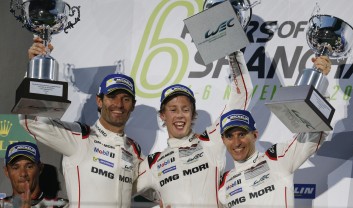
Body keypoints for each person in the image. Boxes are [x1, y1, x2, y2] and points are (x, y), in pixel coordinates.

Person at [21, 38, 144, 208]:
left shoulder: (134, 151)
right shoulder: (81, 137)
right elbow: (31, 120)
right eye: (112, 97)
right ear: (99, 101)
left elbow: (160, 183)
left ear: (133, 105)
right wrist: (36, 71)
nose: (119, 105)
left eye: (126, 99)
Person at [135, 50, 253, 207]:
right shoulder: (153, 163)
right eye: (173, 110)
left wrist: (232, 52)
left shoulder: (211, 141)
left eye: (185, 109)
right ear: (163, 115)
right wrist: (160, 196)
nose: (179, 116)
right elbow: (116, 189)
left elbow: (242, 95)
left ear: (192, 114)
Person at [217, 57, 331, 207]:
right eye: (230, 136)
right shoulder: (223, 184)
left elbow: (316, 131)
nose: (236, 142)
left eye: (242, 134)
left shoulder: (276, 159)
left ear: (255, 135)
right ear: (223, 140)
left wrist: (319, 80)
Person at [2, 142, 68, 208]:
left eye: (29, 166)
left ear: (40, 168)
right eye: (15, 168)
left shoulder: (62, 206)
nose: (23, 173)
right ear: (6, 171)